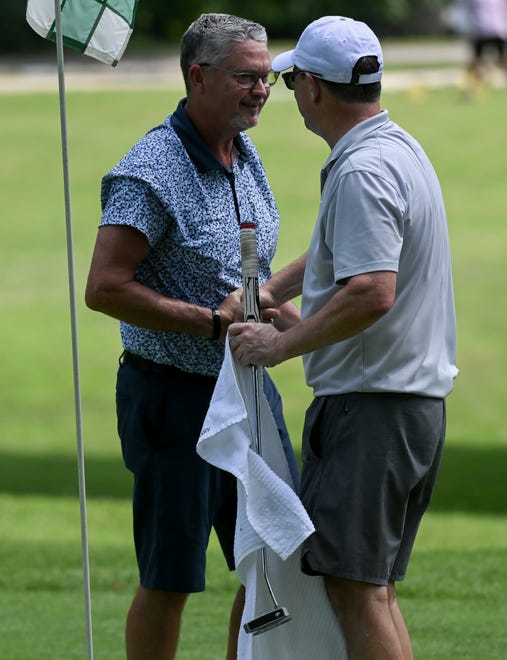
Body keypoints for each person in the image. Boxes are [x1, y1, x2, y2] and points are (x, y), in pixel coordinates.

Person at [229, 15, 458, 660]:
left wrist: (280, 346)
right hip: (400, 405)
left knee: (356, 590)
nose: (290, 90)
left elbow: (370, 290)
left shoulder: (362, 171)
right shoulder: (394, 148)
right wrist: (274, 293)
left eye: (293, 78)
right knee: (372, 591)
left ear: (316, 90)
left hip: (373, 409)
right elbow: (340, 257)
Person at [85, 13, 300, 660]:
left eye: (266, 77)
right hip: (173, 398)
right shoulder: (150, 170)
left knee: (271, 554)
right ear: (198, 76)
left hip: (248, 393)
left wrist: (309, 331)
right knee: (171, 573)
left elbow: (246, 279)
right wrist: (211, 322)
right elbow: (105, 287)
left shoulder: (242, 150)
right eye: (246, 77)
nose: (261, 89)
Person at [461, 0, 507, 83]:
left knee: (501, 58)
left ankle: (473, 79)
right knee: (478, 59)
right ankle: (473, 80)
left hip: (493, 29)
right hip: (484, 29)